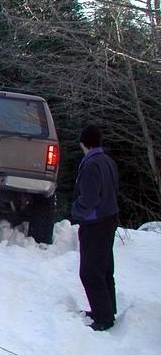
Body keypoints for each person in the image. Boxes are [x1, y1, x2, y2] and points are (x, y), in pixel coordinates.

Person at [71, 123, 119, 331]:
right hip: (109, 218)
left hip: (96, 222)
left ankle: (104, 318)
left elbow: (89, 198)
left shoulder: (91, 165)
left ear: (83, 143)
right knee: (104, 267)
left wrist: (76, 211)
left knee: (90, 271)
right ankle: (107, 309)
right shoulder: (108, 161)